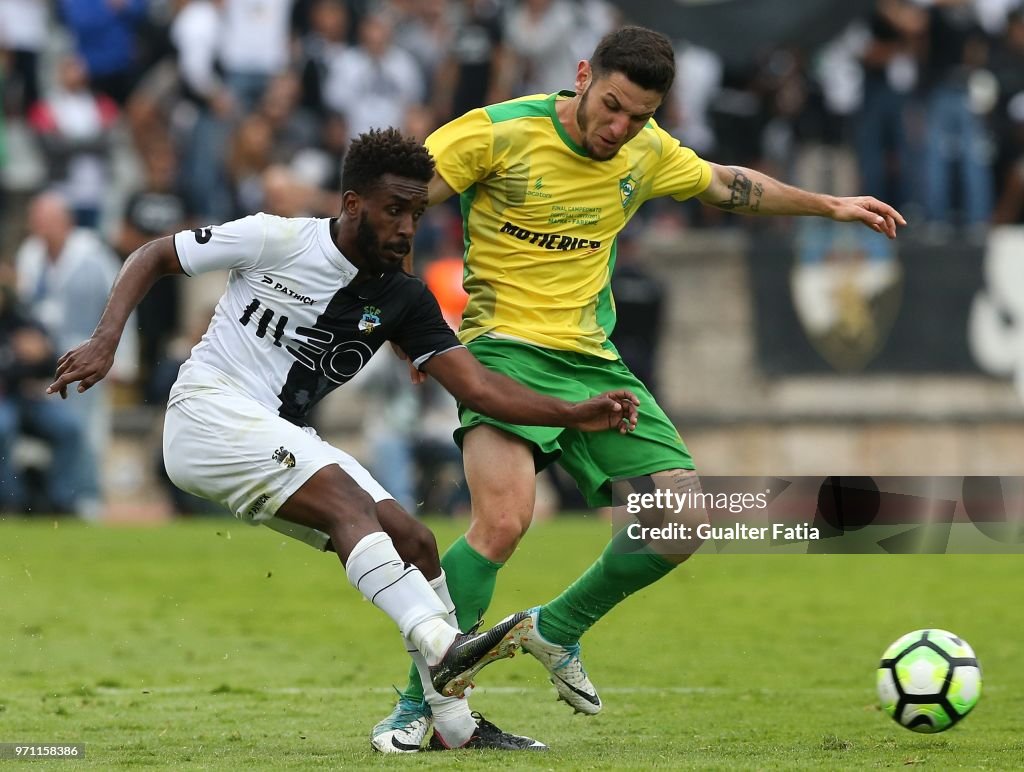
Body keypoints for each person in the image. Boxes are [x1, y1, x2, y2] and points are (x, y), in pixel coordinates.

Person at [371, 25, 906, 752]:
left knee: (682, 522)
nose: (619, 129)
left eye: (640, 118)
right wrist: (409, 326)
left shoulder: (644, 152)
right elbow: (391, 211)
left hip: (594, 362)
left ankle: (553, 630)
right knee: (502, 523)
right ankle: (416, 709)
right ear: (584, 75)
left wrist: (830, 205)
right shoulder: (494, 134)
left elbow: (728, 185)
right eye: (612, 107)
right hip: (503, 354)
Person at [46, 128, 639, 750]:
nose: (408, 226)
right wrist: (106, 339)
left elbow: (481, 389)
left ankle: (453, 727)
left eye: (416, 212)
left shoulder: (404, 298)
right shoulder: (277, 236)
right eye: (393, 210)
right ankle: (442, 644)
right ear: (353, 203)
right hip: (206, 413)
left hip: (277, 433)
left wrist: (573, 412)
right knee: (349, 505)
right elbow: (154, 254)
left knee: (413, 540)